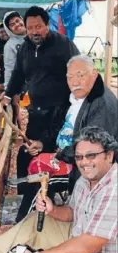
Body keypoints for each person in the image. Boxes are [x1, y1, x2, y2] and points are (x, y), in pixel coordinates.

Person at [16, 54, 118, 222]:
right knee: (25, 154)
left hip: (84, 165)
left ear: (93, 74)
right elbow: (58, 127)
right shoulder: (74, 98)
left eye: (80, 75)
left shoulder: (101, 104)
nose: (75, 82)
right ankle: (35, 209)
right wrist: (42, 144)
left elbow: (92, 150)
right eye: (70, 77)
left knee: (40, 176)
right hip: (66, 152)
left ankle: (23, 223)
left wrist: (58, 156)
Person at [2, 6, 80, 186]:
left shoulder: (63, 44)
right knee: (30, 149)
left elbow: (78, 70)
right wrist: (7, 95)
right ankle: (27, 190)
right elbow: (18, 74)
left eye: (38, 27)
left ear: (47, 25)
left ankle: (56, 189)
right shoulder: (25, 48)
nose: (33, 32)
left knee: (55, 151)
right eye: (30, 28)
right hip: (36, 111)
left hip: (60, 111)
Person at [2, 11, 26, 89]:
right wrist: (7, 90)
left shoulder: (35, 35)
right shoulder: (9, 46)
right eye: (12, 25)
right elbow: (9, 69)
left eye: (17, 20)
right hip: (26, 87)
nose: (16, 24)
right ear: (9, 30)